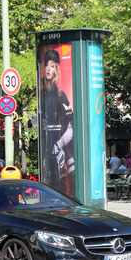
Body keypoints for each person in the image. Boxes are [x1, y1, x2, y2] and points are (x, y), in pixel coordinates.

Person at [41, 48, 75, 195]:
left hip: (60, 153)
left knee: (61, 187)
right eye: (47, 64)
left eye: (53, 65)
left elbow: (71, 127)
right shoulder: (42, 95)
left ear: (57, 69)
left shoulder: (61, 95)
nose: (49, 69)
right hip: (48, 151)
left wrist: (58, 144)